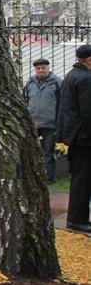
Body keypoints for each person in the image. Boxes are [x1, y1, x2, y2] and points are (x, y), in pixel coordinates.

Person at [55, 44, 91, 234]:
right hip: (84, 137)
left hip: (73, 136)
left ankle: (78, 219)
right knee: (82, 181)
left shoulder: (71, 75)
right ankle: (78, 220)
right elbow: (87, 112)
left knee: (79, 179)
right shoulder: (86, 78)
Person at [23, 57, 61, 185]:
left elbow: (62, 103)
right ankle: (31, 175)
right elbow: (25, 100)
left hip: (50, 124)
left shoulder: (56, 82)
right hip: (33, 123)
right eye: (38, 68)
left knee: (48, 152)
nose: (41, 70)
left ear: (48, 68)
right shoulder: (30, 83)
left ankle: (48, 178)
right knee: (30, 150)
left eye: (43, 68)